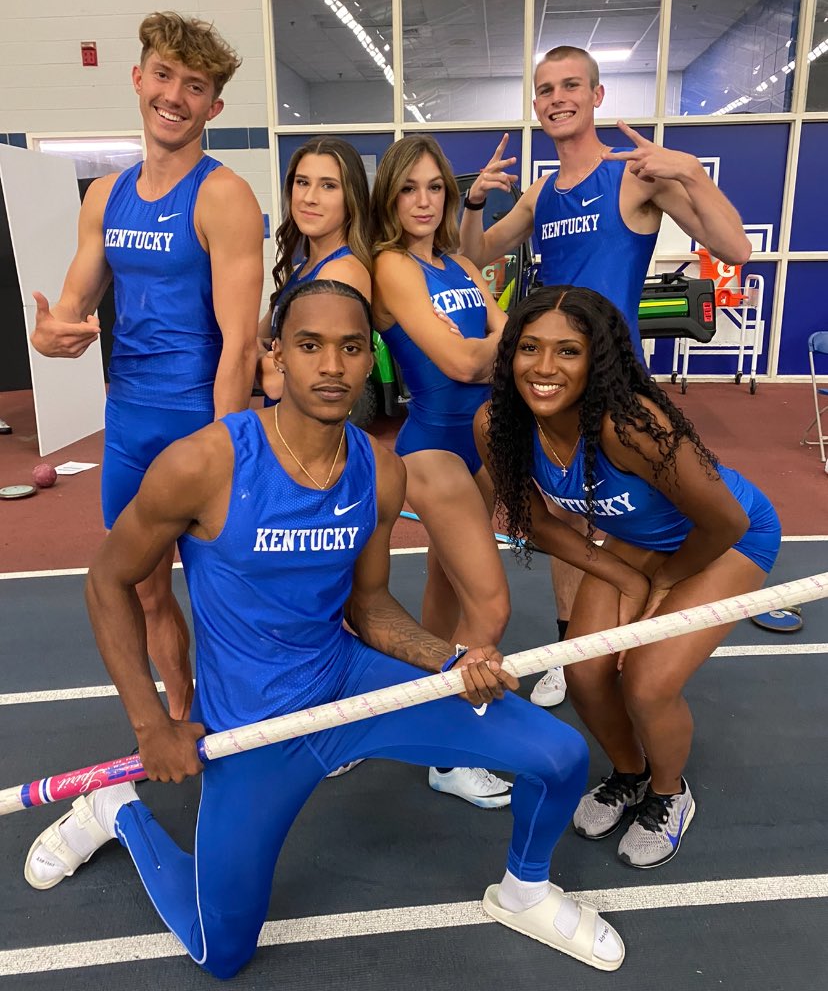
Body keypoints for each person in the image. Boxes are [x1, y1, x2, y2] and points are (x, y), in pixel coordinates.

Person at [22, 280, 625, 978]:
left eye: (350, 348)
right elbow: (107, 581)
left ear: (370, 360)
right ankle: (116, 811)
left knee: (560, 755)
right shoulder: (205, 464)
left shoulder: (379, 470)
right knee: (222, 953)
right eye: (310, 346)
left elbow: (369, 606)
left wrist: (449, 661)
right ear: (277, 356)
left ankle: (524, 891)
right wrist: (151, 723)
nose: (332, 366)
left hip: (347, 686)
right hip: (253, 725)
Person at [459, 44, 754, 705]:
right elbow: (476, 254)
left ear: (596, 96)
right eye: (545, 90)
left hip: (617, 387)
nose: (557, 98)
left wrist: (690, 172)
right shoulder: (541, 193)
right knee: (568, 518)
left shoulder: (635, 177)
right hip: (551, 382)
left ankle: (650, 632)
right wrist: (473, 201)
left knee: (637, 512)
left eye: (571, 86)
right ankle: (574, 649)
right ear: (536, 105)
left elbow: (736, 247)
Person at [476, 285, 781, 868]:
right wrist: (625, 576)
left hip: (726, 540)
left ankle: (670, 794)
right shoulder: (498, 423)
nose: (544, 368)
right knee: (584, 670)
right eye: (529, 347)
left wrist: (663, 582)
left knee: (646, 682)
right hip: (642, 541)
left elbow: (726, 522)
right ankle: (630, 773)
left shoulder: (630, 425)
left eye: (568, 351)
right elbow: (535, 521)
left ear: (598, 360)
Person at [29, 12, 264, 721]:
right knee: (146, 590)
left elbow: (240, 344)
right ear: (138, 79)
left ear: (213, 106)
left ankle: (251, 718)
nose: (174, 96)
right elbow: (72, 306)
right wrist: (50, 336)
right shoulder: (105, 197)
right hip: (130, 424)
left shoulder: (224, 195)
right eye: (164, 75)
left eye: (195, 86)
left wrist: (224, 444)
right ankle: (183, 718)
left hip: (200, 420)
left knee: (225, 591)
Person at [371, 135, 512, 809]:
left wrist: (490, 345)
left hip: (484, 440)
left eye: (434, 187)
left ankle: (422, 700)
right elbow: (461, 363)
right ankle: (447, 746)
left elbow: (509, 339)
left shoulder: (458, 262)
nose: (423, 201)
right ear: (390, 197)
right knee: (491, 604)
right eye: (409, 188)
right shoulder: (392, 266)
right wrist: (491, 346)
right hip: (432, 445)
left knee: (446, 579)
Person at [257, 136, 372, 405]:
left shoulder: (343, 273)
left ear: (351, 198)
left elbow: (277, 381)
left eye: (328, 186)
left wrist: (255, 356)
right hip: (286, 423)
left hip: (308, 427)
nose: (309, 198)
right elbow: (259, 337)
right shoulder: (302, 270)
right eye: (302, 182)